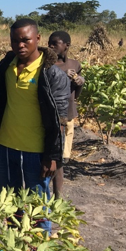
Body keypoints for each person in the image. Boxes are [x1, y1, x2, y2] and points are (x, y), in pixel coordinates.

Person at [0, 19, 69, 234]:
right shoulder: (7, 66)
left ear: (38, 39)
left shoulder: (53, 74)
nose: (20, 45)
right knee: (9, 205)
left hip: (37, 152)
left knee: (37, 207)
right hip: (5, 147)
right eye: (15, 41)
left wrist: (52, 156)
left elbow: (60, 120)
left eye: (25, 40)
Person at [48, 31, 85, 197]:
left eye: (55, 43)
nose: (51, 46)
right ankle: (44, 194)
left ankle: (58, 196)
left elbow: (76, 94)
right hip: (49, 116)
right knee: (49, 158)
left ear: (66, 46)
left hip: (67, 116)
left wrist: (80, 81)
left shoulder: (75, 64)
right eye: (50, 43)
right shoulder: (47, 65)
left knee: (61, 160)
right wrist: (62, 76)